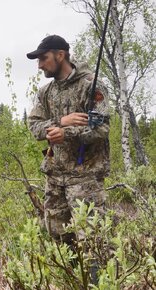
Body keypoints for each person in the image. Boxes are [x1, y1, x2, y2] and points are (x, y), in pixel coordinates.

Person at [26, 35, 110, 244]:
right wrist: (60, 122)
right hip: (54, 179)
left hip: (85, 179)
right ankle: (68, 278)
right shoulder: (45, 92)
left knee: (93, 243)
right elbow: (34, 127)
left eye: (43, 59)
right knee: (59, 243)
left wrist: (67, 133)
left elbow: (102, 128)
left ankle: (93, 278)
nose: (40, 65)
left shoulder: (90, 85)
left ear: (60, 55)